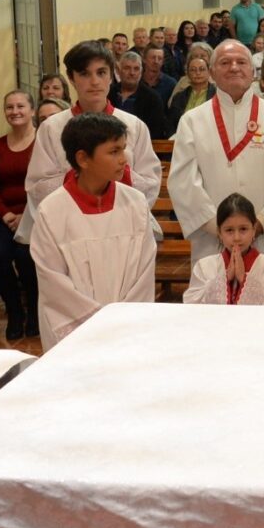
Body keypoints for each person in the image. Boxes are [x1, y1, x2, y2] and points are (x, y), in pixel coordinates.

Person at [169, 40, 264, 284]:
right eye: (225, 62)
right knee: (215, 302)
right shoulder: (192, 121)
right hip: (213, 240)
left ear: (253, 72)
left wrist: (260, 226)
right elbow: (183, 182)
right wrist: (221, 230)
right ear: (212, 73)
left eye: (241, 62)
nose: (234, 67)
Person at [29, 113, 156, 350]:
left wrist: (120, 320)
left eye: (124, 149)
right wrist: (99, 324)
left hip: (127, 328)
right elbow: (55, 285)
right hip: (77, 335)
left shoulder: (135, 203)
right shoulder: (52, 211)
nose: (124, 160)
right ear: (83, 159)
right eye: (114, 151)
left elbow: (144, 272)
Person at [25, 40, 161, 245]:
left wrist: (118, 172)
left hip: (124, 227)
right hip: (69, 231)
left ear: (111, 75)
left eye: (101, 72)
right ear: (71, 78)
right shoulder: (51, 128)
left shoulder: (134, 126)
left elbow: (150, 184)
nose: (95, 81)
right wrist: (84, 176)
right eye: (84, 74)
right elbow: (38, 187)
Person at [183, 193, 264, 306]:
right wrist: (224, 279)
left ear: (254, 230)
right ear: (219, 232)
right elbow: (192, 304)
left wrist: (244, 279)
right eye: (229, 230)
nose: (237, 238)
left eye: (243, 229)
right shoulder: (204, 267)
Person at [0, 90, 39, 339]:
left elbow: (47, 183)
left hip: (35, 215)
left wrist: (27, 215)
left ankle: (34, 312)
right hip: (4, 215)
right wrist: (5, 214)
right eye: (9, 107)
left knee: (26, 257)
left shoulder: (43, 142)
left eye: (20, 106)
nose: (15, 111)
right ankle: (14, 312)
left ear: (32, 110)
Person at [109, 50, 167, 140]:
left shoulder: (152, 99)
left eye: (136, 69)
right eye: (127, 68)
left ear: (141, 72)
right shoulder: (109, 94)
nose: (132, 73)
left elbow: (155, 133)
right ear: (118, 71)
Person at [167, 51, 216, 137]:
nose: (197, 73)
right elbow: (171, 124)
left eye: (202, 69)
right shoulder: (179, 97)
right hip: (182, 138)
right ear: (188, 74)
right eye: (193, 70)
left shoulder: (217, 95)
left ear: (209, 72)